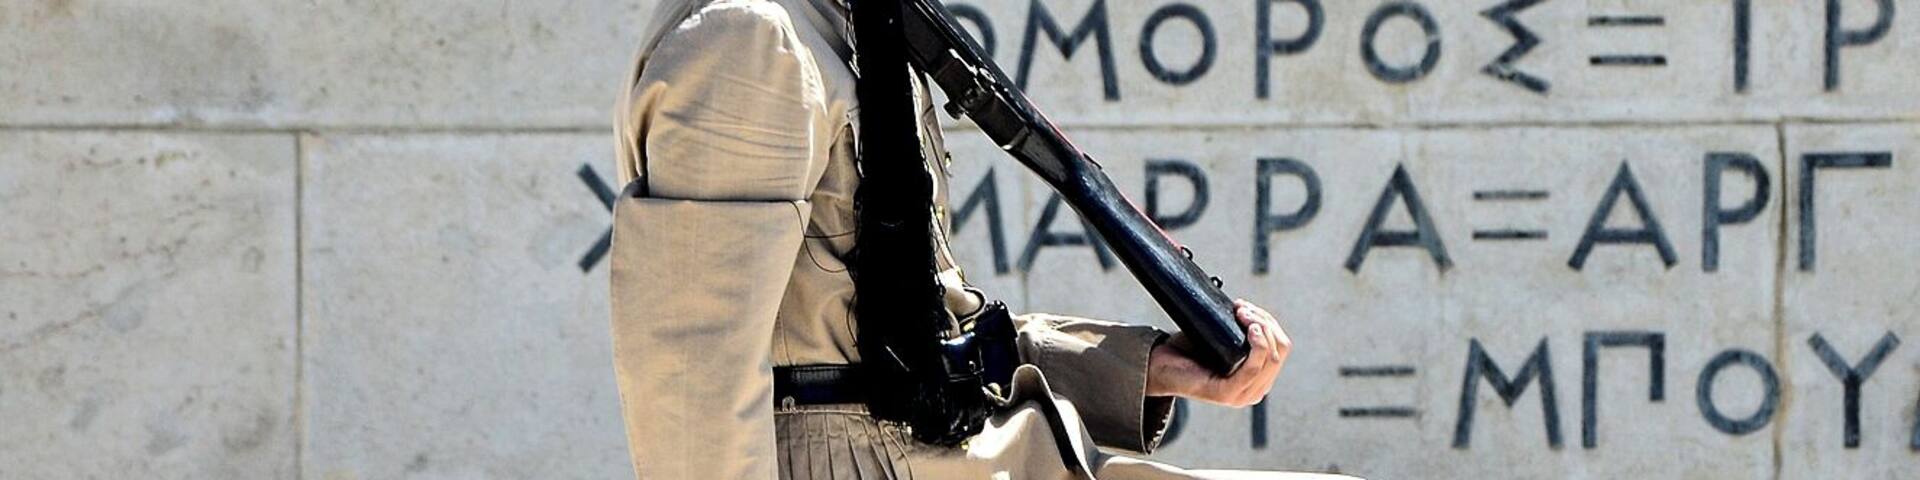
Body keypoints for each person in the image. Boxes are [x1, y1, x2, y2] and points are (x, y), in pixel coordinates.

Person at [609, 0, 1358, 478]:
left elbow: (911, 335)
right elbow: (688, 379)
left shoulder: (855, 25)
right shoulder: (747, 40)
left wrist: (1153, 367)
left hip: (941, 445)